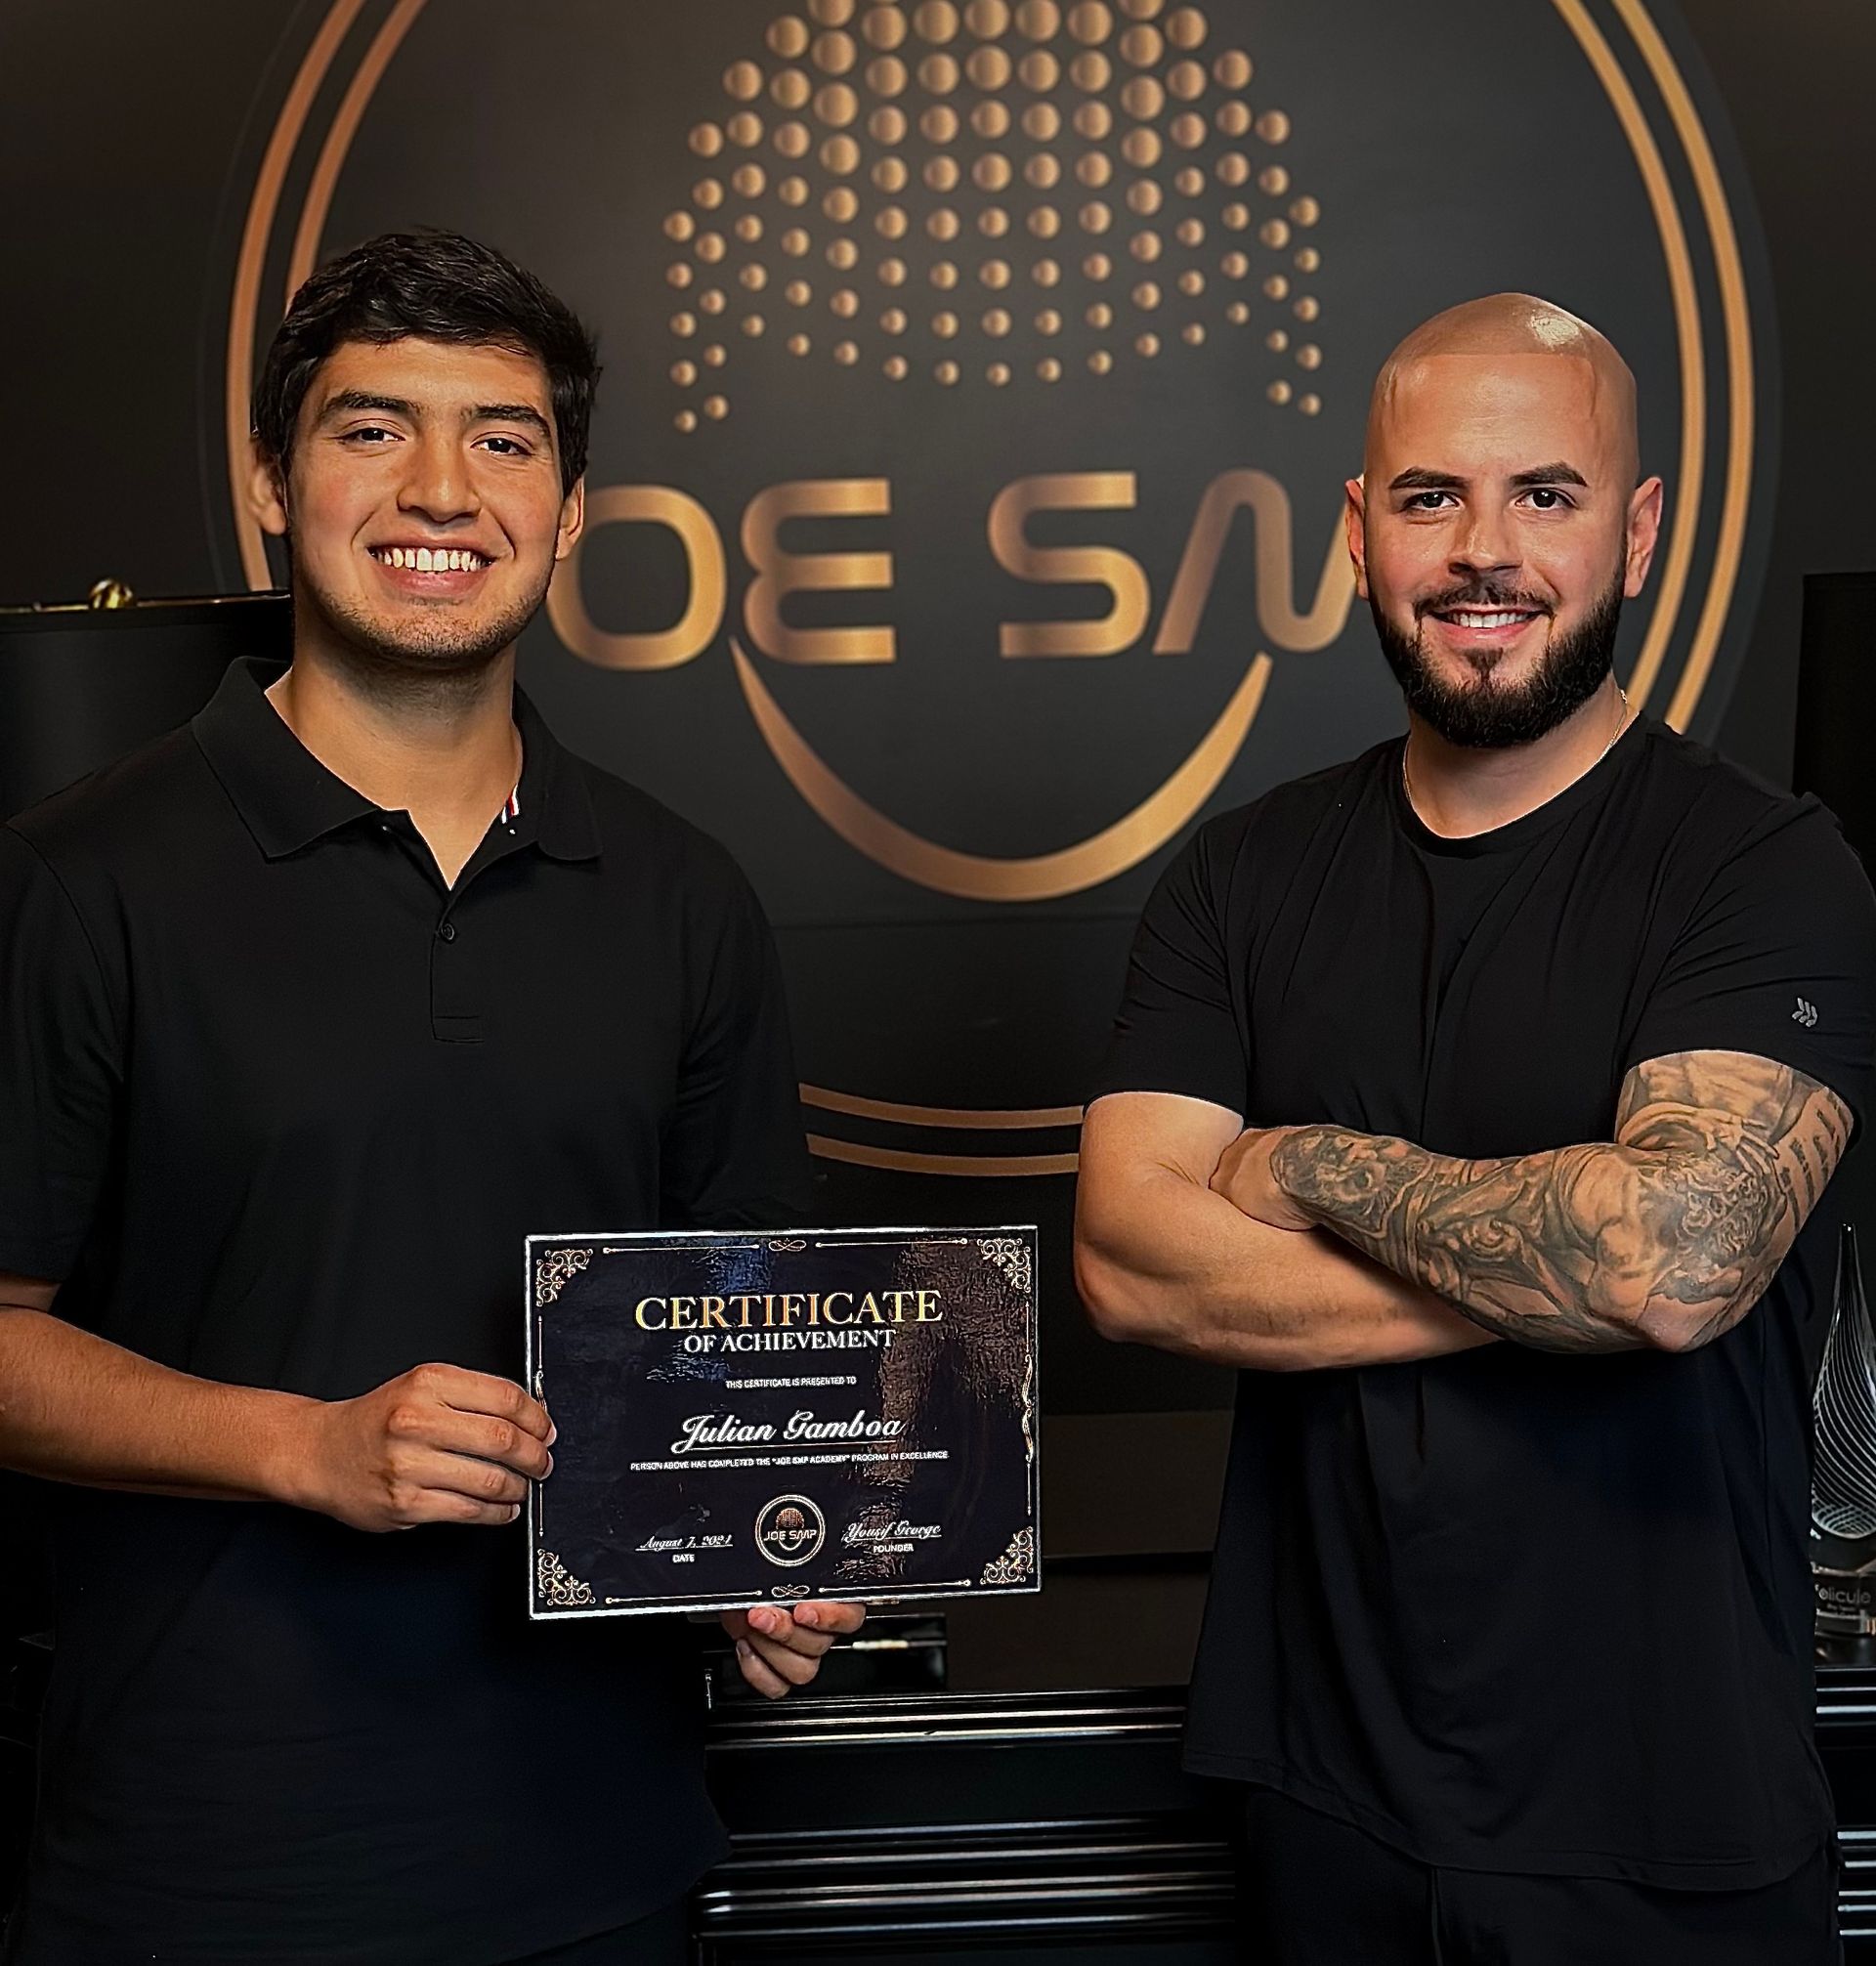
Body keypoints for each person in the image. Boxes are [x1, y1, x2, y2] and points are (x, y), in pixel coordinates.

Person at [0, 231, 861, 1966]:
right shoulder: (79, 880)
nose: (444, 489)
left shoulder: (682, 895)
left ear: (570, 506)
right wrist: (302, 1446)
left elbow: (748, 1347)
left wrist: (777, 1557)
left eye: (506, 438)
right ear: (271, 481)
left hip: (599, 1855)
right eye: (373, 428)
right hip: (197, 1864)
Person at [1074, 293, 1876, 1962]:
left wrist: (1298, 1165)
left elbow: (1675, 1259)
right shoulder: (1245, 876)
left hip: (1668, 1819)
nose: (1484, 552)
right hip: (1322, 1794)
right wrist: (1555, 1280)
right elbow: (1129, 1264)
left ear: (1638, 530)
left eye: (1548, 495)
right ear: (1360, 534)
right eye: (1433, 497)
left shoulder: (1763, 867)